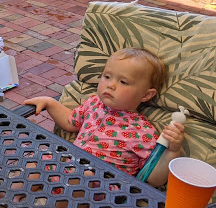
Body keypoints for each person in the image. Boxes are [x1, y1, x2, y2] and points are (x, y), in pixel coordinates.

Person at [24, 47, 185, 187]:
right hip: (68, 167)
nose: (110, 85)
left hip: (99, 188)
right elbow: (70, 122)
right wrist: (50, 103)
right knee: (37, 159)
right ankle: (14, 198)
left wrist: (172, 151)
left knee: (82, 176)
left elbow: (153, 178)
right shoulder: (94, 103)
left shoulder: (142, 131)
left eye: (123, 82)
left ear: (146, 95)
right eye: (107, 76)